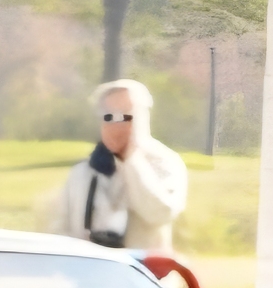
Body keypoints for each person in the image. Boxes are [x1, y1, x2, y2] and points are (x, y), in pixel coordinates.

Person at [46, 78, 186, 256]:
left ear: (144, 117)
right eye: (109, 116)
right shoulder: (83, 172)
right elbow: (58, 229)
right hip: (87, 276)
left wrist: (131, 159)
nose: (117, 124)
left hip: (142, 277)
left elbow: (160, 213)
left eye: (126, 115)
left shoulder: (165, 163)